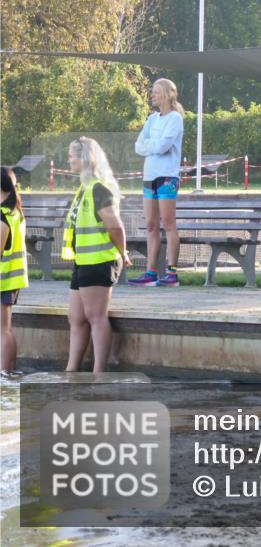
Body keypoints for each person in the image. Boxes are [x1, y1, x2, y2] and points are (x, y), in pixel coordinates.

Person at [63, 137, 132, 372]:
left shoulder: (98, 188)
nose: (69, 159)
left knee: (96, 316)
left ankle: (98, 372)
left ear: (84, 158)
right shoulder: (84, 188)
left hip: (99, 260)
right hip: (82, 261)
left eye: (72, 155)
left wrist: (123, 253)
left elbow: (115, 225)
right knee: (76, 317)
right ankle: (71, 370)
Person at [129, 78, 184, 287]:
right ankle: (150, 272)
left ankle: (172, 273)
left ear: (168, 94)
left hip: (167, 176)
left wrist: (151, 145)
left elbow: (163, 147)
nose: (152, 95)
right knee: (151, 225)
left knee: (168, 224)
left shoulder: (175, 119)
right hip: (149, 176)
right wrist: (154, 145)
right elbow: (138, 146)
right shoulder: (151, 119)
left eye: (156, 92)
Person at [1, 166, 28, 375]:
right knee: (6, 329)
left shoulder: (2, 217)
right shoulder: (15, 211)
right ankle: (9, 370)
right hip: (13, 278)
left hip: (3, 280)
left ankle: (3, 373)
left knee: (3, 331)